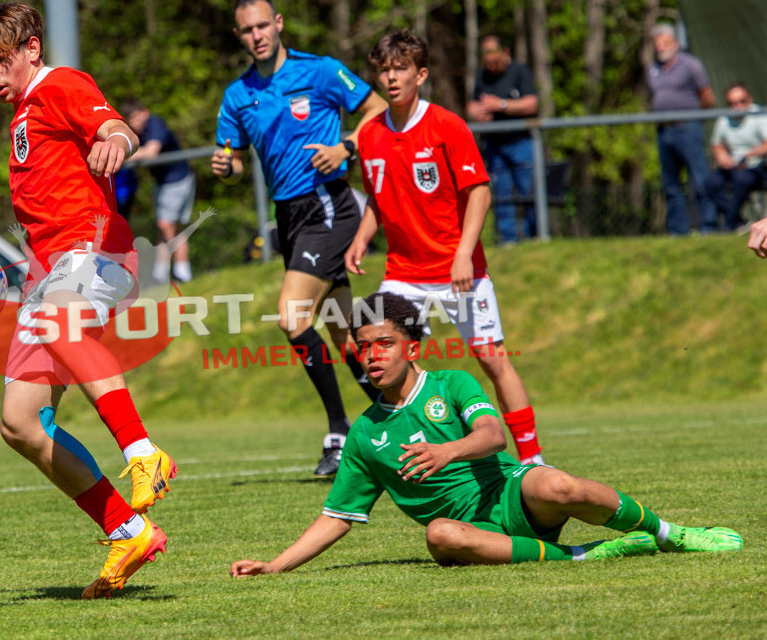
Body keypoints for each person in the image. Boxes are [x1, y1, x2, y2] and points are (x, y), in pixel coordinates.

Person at [229, 292, 743, 576]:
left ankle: (671, 534)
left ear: (412, 348)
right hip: (475, 536)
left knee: (558, 483)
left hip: (512, 496)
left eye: (384, 343)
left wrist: (447, 451)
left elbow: (495, 435)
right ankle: (583, 555)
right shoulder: (365, 433)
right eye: (364, 347)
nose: (372, 356)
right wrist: (275, 566)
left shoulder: (451, 384)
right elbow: (337, 516)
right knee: (439, 536)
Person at [0, 2, 175, 599]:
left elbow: (115, 127)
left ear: (32, 47)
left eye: (0, 60)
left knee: (59, 323)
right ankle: (128, 530)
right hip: (49, 272)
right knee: (20, 424)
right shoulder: (24, 111)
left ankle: (143, 453)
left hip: (95, 250)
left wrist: (117, 141)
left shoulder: (59, 85)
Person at [210, 0, 388, 477]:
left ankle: (339, 430)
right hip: (289, 218)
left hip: (329, 204)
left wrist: (345, 146)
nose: (257, 36)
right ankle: (397, 415)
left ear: (279, 23)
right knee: (345, 331)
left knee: (292, 316)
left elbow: (376, 109)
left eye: (263, 25)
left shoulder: (321, 71)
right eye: (248, 30)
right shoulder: (238, 94)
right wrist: (227, 167)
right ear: (238, 35)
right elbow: (234, 158)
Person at [346, 30, 544, 465]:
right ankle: (422, 447)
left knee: (494, 361)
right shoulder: (371, 134)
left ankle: (532, 459)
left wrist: (463, 255)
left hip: (458, 270)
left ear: (420, 74)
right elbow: (377, 198)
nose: (391, 78)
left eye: (400, 68)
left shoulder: (446, 125)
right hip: (403, 273)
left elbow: (480, 192)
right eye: (384, 70)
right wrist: (361, 238)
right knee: (380, 352)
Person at [466, 35, 539, 245]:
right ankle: (508, 240)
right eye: (487, 61)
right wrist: (478, 112)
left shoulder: (520, 71)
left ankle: (535, 236)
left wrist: (501, 105)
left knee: (529, 192)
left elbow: (531, 104)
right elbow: (472, 105)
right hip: (494, 145)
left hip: (521, 142)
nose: (492, 65)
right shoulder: (483, 77)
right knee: (502, 194)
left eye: (495, 61)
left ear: (504, 52)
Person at [645, 23, 716, 235]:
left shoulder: (691, 65)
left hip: (688, 128)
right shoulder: (652, 69)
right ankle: (678, 230)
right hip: (663, 131)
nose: (660, 47)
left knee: (700, 179)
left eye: (664, 42)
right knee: (670, 184)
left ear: (675, 43)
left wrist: (692, 117)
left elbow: (708, 97)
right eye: (657, 43)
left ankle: (708, 226)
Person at [122, 98, 199, 283]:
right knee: (171, 227)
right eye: (130, 119)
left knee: (165, 225)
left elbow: (151, 152)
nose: (134, 123)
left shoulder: (155, 123)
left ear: (145, 112)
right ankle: (179, 272)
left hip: (176, 181)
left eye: (136, 117)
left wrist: (120, 156)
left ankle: (164, 273)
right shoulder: (136, 132)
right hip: (163, 183)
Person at [706, 83, 767, 231]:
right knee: (711, 182)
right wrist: (722, 156)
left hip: (757, 167)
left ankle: (730, 224)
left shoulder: (759, 115)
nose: (737, 106)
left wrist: (749, 154)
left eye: (741, 101)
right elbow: (716, 144)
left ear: (749, 99)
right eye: (732, 103)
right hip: (733, 167)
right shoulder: (724, 119)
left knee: (742, 179)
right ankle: (737, 221)